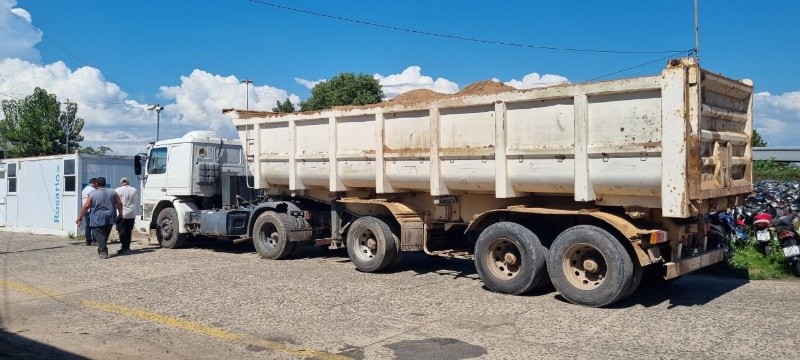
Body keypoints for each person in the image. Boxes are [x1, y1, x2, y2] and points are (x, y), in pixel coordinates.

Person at [75, 177, 123, 259]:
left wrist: (79, 217)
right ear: (105, 183)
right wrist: (121, 214)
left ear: (96, 184)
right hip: (110, 216)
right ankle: (101, 248)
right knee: (105, 234)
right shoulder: (113, 192)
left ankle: (103, 251)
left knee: (100, 235)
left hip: (97, 217)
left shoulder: (93, 194)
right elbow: (119, 203)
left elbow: (86, 206)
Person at [115, 177, 138, 255]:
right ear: (128, 182)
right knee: (128, 231)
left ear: (121, 182)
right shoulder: (134, 190)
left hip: (121, 213)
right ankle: (127, 247)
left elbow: (115, 202)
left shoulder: (118, 190)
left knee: (121, 231)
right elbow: (136, 200)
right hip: (131, 213)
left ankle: (124, 248)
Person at [80, 178, 97, 245]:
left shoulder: (84, 189)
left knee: (88, 226)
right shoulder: (93, 190)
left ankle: (88, 240)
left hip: (85, 209)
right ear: (94, 183)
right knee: (94, 226)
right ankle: (95, 240)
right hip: (91, 209)